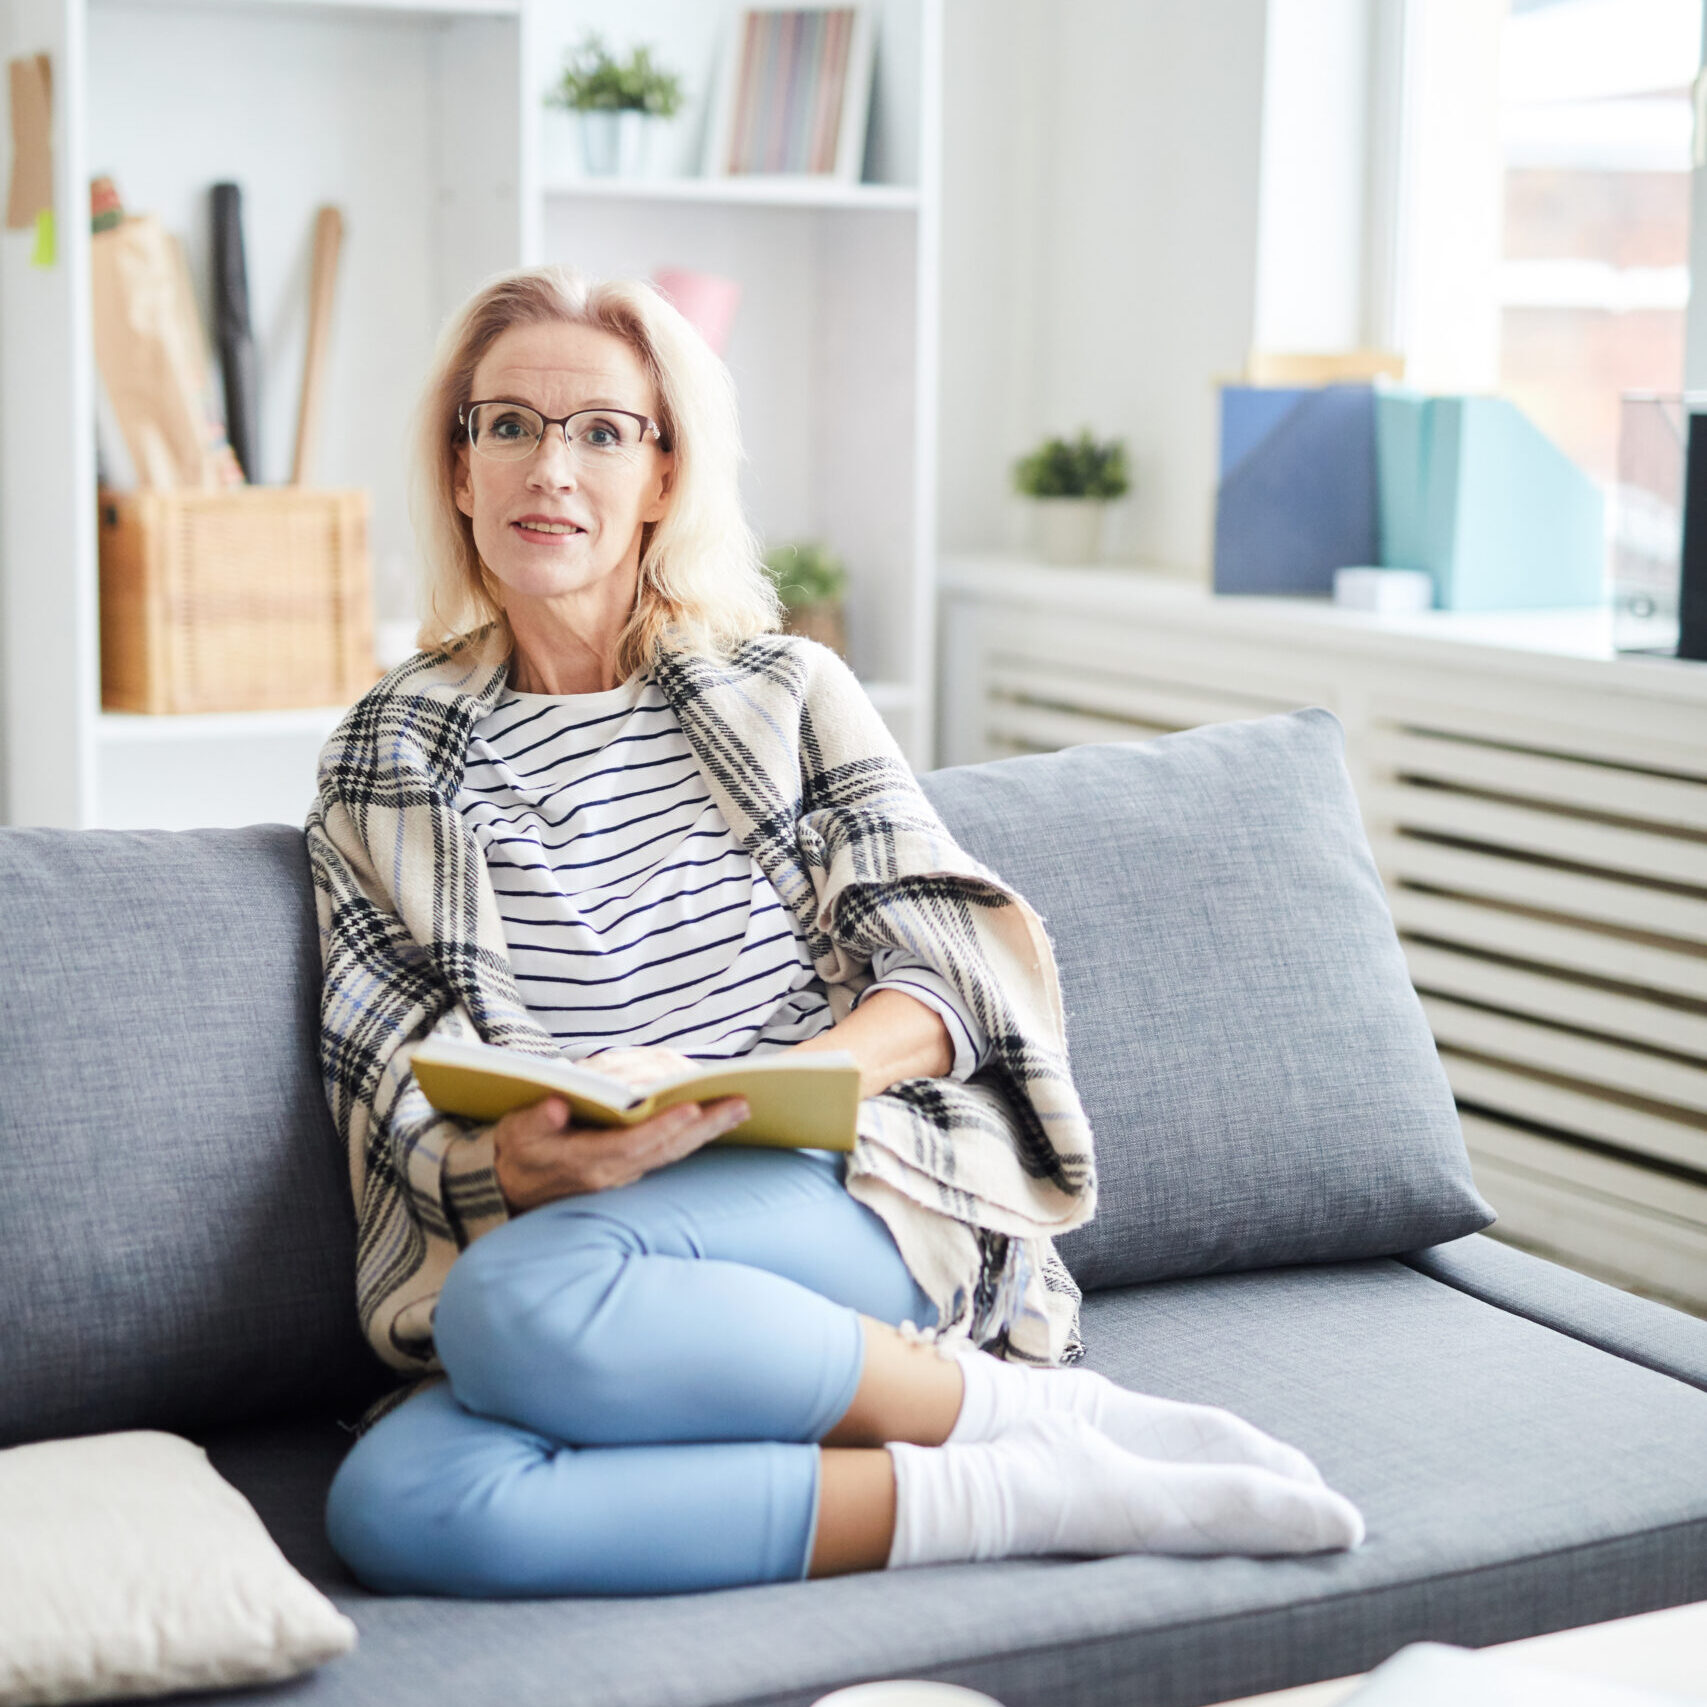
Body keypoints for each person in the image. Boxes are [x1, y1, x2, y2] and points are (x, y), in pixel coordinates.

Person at [307, 265, 1363, 1598]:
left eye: (599, 432)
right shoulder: (390, 755)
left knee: (515, 1305)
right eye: (507, 425)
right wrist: (514, 1169)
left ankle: (1037, 1415)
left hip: (845, 1185)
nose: (548, 470)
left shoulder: (784, 692)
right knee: (403, 1499)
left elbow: (962, 967)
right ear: (459, 472)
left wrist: (781, 1088)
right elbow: (387, 1065)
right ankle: (1010, 1489)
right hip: (578, 1221)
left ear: (665, 475)